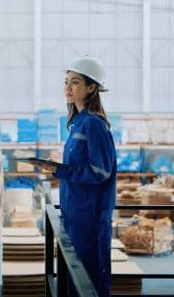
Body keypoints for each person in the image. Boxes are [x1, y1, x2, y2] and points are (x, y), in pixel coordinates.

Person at [47, 55, 117, 297]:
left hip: (90, 219)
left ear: (91, 87)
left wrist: (61, 170)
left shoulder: (94, 125)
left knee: (89, 283)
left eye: (75, 82)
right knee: (74, 282)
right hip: (74, 213)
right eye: (66, 82)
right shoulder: (77, 123)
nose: (67, 87)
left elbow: (100, 171)